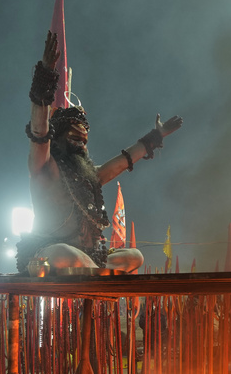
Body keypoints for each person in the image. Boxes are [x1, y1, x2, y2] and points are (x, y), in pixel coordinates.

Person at [18, 30, 184, 274]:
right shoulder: (44, 167)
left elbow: (124, 160)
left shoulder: (89, 177)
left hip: (89, 256)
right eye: (75, 137)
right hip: (47, 252)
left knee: (134, 256)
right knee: (64, 254)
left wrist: (156, 136)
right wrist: (46, 74)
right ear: (59, 139)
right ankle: (98, 273)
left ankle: (94, 271)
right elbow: (39, 132)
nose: (82, 145)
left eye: (84, 141)